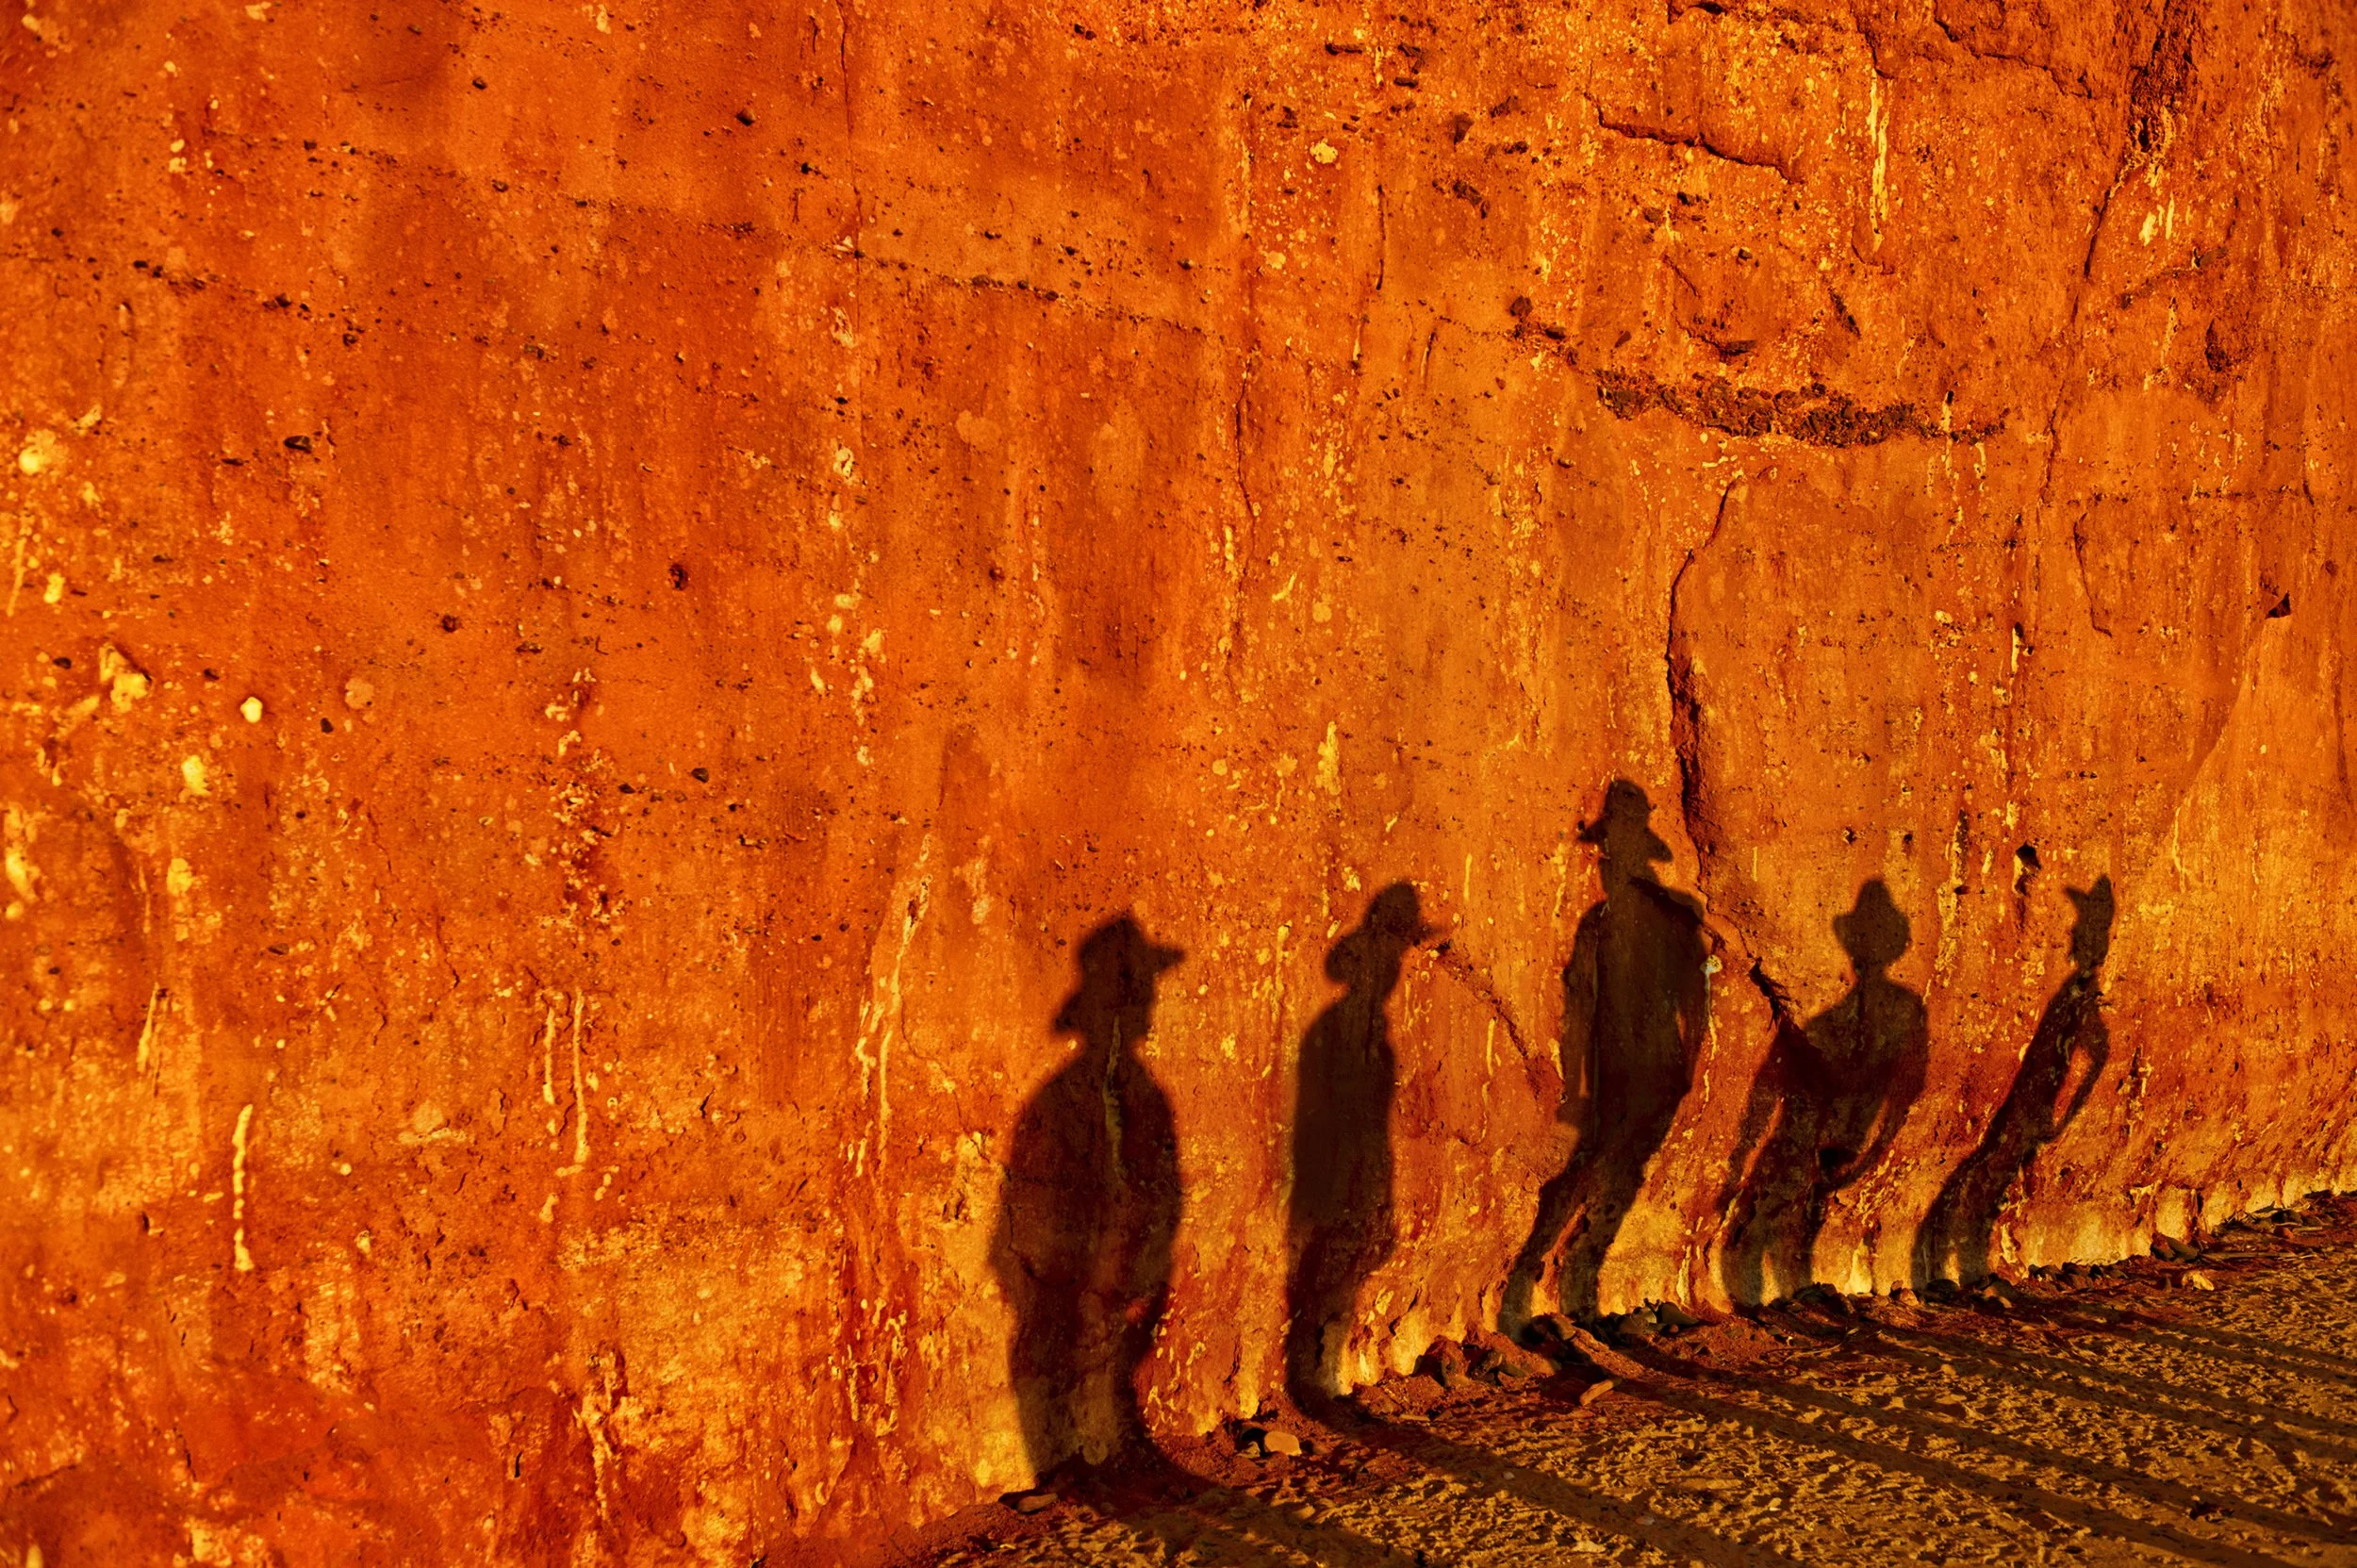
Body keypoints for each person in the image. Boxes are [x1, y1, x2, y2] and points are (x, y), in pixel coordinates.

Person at [1503, 781, 1710, 1331]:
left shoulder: (1661, 920)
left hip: (1650, 1061)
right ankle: (1557, 1281)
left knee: (1619, 1166)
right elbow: (1582, 1001)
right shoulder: (1606, 923)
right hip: (1626, 1062)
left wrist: (1686, 1064)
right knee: (1603, 1164)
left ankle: (1569, 1280)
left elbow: (1693, 1002)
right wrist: (1579, 1081)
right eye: (1609, 851)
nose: (1608, 862)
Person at [989, 915, 1184, 1476]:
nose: (1148, 999)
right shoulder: (1067, 1097)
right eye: (1139, 985)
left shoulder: (1136, 1091)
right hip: (1078, 1298)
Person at [1721, 879, 1929, 1304]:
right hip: (1827, 1128)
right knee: (1784, 1215)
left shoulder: (1901, 1009)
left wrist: (1883, 1138)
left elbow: (1907, 1087)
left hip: (1843, 1130)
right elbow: (1770, 1085)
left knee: (1791, 1215)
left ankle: (1791, 1295)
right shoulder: (1883, 1011)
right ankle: (1789, 1295)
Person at [1914, 877, 2114, 1286]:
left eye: (2081, 931)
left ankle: (1976, 1265)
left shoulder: (2082, 992)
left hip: (2031, 1116)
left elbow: (2098, 1055)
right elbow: (2095, 1057)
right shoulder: (2075, 990)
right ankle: (1977, 1266)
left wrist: (2063, 1116)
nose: (2073, 935)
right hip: (2027, 1113)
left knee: (1978, 1193)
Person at [1287, 883, 1431, 1407]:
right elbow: (1340, 1107)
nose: (1396, 966)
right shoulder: (1345, 1023)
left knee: (1353, 1257)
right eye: (1392, 954)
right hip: (1339, 1168)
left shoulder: (1373, 1022)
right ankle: (1313, 1377)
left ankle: (1324, 1371)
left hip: (1360, 1164)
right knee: (1334, 1260)